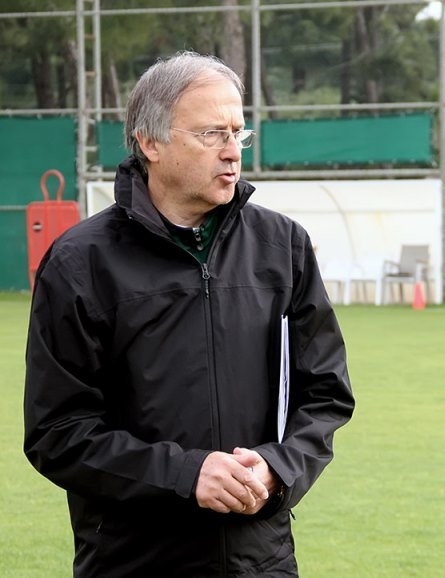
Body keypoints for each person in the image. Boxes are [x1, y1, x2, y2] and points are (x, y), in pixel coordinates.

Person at [24, 51, 355, 577]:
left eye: (238, 133)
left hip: (261, 561)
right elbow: (58, 432)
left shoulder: (283, 247)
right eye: (211, 134)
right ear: (150, 143)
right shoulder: (80, 263)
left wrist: (277, 468)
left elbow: (326, 395)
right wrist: (185, 474)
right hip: (133, 562)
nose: (232, 151)